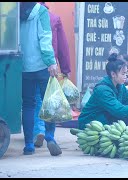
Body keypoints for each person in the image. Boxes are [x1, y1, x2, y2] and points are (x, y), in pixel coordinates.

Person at [20, 2, 61, 156]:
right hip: (43, 65)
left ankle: (29, 145)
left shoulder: (17, 11)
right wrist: (51, 62)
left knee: (28, 105)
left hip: (24, 66)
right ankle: (49, 136)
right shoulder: (41, 11)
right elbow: (45, 38)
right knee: (48, 102)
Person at [78, 53, 128, 129]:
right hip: (91, 122)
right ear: (113, 74)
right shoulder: (102, 90)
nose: (125, 76)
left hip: (106, 117)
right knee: (126, 113)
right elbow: (119, 111)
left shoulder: (119, 85)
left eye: (126, 73)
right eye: (123, 74)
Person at [33, 2, 72, 148]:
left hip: (29, 65)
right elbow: (62, 45)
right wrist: (66, 68)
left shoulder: (24, 17)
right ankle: (49, 136)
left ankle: (38, 130)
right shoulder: (54, 18)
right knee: (50, 100)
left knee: (34, 100)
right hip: (50, 66)